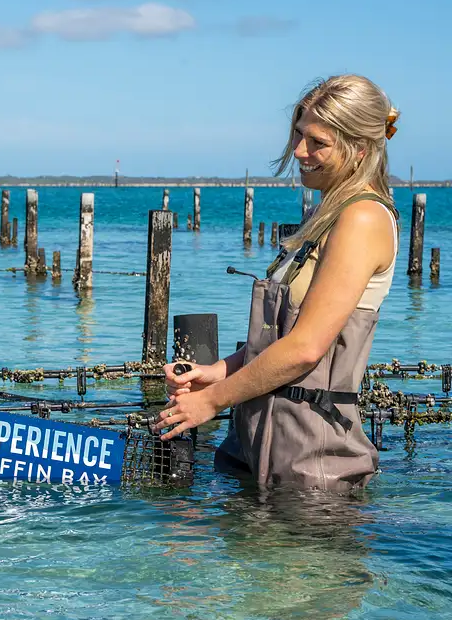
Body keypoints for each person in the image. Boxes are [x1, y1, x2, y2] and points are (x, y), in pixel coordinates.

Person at [154, 74, 400, 492]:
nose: (301, 151)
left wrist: (211, 402)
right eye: (299, 134)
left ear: (359, 149)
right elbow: (278, 339)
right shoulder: (324, 216)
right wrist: (215, 373)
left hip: (313, 465)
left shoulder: (362, 219)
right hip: (261, 446)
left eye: (318, 142)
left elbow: (305, 348)